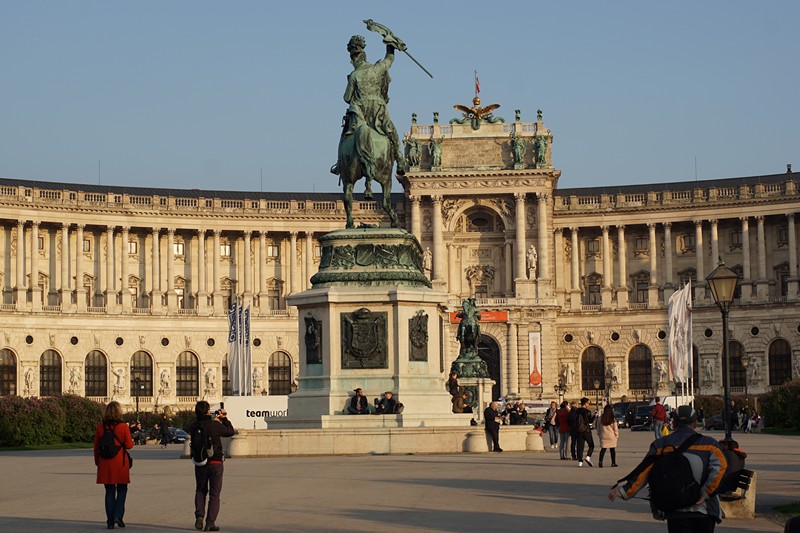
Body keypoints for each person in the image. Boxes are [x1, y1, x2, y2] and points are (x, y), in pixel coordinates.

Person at [608, 406, 727, 533]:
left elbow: (644, 472)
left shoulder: (661, 444)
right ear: (694, 423)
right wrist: (705, 493)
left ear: (674, 423)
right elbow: (721, 468)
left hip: (674, 508)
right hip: (704, 510)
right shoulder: (709, 444)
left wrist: (624, 491)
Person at [190, 400, 235, 532]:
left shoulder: (193, 426)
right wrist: (224, 418)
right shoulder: (214, 425)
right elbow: (230, 431)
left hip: (200, 462)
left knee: (200, 490)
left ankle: (199, 516)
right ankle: (210, 523)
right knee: (214, 494)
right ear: (208, 411)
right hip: (215, 462)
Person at [94, 400, 134, 530]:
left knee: (109, 491)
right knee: (122, 490)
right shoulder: (123, 427)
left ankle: (110, 522)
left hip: (105, 463)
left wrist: (97, 462)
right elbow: (129, 445)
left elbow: (96, 447)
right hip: (120, 463)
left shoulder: (101, 427)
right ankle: (118, 515)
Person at [574, 397, 595, 467]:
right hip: (586, 430)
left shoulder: (576, 411)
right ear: (585, 404)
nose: (588, 404)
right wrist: (595, 415)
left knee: (580, 446)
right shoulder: (587, 411)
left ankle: (580, 461)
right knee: (591, 445)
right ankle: (588, 457)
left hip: (579, 431)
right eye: (588, 403)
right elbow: (590, 421)